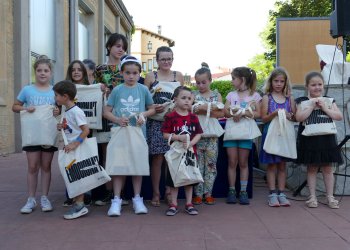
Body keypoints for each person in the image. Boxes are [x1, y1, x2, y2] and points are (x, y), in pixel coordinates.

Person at [103, 56, 155, 216]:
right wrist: (118, 119)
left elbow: (152, 108)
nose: (131, 76)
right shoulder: (117, 90)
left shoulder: (143, 89)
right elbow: (106, 111)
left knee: (137, 166)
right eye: (127, 73)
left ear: (140, 74)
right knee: (119, 166)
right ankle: (116, 200)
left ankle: (137, 199)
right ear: (122, 73)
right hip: (120, 134)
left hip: (138, 133)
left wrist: (143, 115)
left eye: (134, 73)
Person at [12, 55, 57, 214]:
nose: (42, 73)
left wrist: (58, 111)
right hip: (32, 135)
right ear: (35, 72)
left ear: (51, 73)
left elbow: (61, 110)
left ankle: (44, 197)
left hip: (48, 134)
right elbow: (15, 106)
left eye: (46, 70)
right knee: (32, 166)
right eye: (39, 70)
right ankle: (31, 199)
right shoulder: (27, 89)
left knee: (46, 166)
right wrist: (25, 108)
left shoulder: (55, 91)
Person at [295, 71, 343, 209]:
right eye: (313, 85)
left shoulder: (329, 100)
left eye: (320, 84)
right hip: (309, 140)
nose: (317, 87)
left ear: (323, 85)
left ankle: (330, 197)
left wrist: (324, 108)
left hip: (327, 139)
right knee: (312, 168)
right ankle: (312, 197)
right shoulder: (302, 101)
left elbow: (338, 116)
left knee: (328, 168)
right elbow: (299, 118)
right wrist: (311, 106)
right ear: (307, 86)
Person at [144, 46, 184, 207]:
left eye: (169, 58)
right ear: (157, 60)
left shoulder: (178, 75)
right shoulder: (150, 76)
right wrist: (152, 106)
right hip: (155, 122)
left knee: (172, 160)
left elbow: (184, 97)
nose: (166, 61)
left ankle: (169, 192)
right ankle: (156, 192)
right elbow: (144, 99)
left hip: (174, 123)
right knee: (157, 159)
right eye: (163, 59)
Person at [93, 33, 127, 206]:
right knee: (107, 156)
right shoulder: (99, 69)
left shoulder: (127, 68)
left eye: (123, 47)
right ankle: (108, 192)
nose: (120, 49)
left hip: (124, 116)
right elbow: (93, 93)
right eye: (117, 46)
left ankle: (120, 193)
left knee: (122, 154)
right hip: (106, 117)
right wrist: (99, 90)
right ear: (109, 47)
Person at [161, 86, 203, 216]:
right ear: (175, 99)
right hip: (175, 154)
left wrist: (191, 143)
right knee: (174, 179)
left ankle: (189, 203)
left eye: (189, 98)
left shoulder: (193, 117)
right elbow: (165, 134)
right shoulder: (170, 116)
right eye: (183, 98)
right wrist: (178, 137)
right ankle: (173, 204)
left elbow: (199, 134)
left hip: (189, 153)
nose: (186, 101)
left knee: (189, 179)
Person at [223, 67, 261, 205]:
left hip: (245, 133)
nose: (232, 81)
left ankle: (243, 191)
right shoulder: (230, 95)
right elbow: (225, 112)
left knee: (243, 163)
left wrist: (243, 113)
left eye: (233, 78)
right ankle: (232, 190)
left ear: (242, 79)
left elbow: (259, 114)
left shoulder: (255, 96)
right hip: (232, 133)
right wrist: (233, 113)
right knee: (232, 162)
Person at [54, 80, 90, 219]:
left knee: (76, 177)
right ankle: (78, 203)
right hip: (70, 149)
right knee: (72, 176)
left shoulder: (76, 111)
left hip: (75, 149)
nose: (55, 98)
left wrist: (75, 144)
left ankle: (80, 206)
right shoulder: (67, 111)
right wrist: (62, 127)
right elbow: (71, 127)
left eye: (57, 95)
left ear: (65, 96)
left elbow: (86, 130)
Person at [260, 67, 295, 207]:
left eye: (282, 81)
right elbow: (263, 118)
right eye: (276, 81)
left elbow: (294, 117)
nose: (279, 84)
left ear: (286, 82)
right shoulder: (266, 98)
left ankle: (281, 192)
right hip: (270, 134)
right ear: (271, 81)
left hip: (284, 135)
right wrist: (274, 113)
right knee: (271, 165)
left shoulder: (289, 98)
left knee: (282, 165)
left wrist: (289, 115)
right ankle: (272, 193)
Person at [192, 66, 224, 205]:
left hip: (212, 137)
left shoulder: (216, 95)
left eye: (203, 82)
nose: (201, 85)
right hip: (197, 136)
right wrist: (210, 108)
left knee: (211, 165)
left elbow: (221, 113)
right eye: (198, 83)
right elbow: (192, 111)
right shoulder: (193, 95)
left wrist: (203, 109)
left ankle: (208, 193)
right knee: (197, 166)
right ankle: (198, 194)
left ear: (210, 80)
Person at [62, 59, 91, 207]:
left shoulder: (91, 88)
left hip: (84, 134)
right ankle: (73, 196)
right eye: (73, 69)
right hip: (70, 135)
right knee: (71, 165)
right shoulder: (64, 91)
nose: (76, 72)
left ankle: (84, 198)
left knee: (86, 165)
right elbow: (61, 110)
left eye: (79, 69)